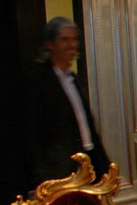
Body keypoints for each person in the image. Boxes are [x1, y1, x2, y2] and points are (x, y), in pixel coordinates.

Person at [28, 16, 110, 188]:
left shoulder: (73, 78)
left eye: (74, 39)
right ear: (50, 44)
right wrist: (43, 176)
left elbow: (86, 125)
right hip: (60, 169)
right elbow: (35, 131)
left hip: (88, 159)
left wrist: (104, 166)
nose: (71, 45)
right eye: (64, 39)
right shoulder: (40, 80)